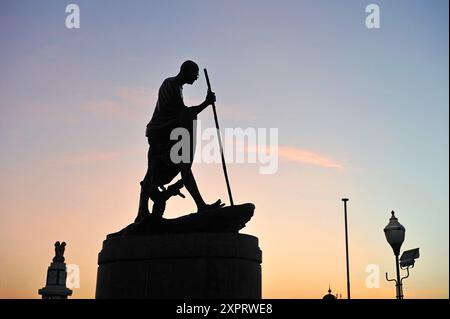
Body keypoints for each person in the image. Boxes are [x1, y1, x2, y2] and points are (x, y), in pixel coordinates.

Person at [135, 60, 224, 222]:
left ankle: (142, 212)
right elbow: (182, 113)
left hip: (164, 133)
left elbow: (181, 114)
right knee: (171, 168)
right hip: (161, 134)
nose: (197, 78)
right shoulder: (171, 86)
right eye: (195, 74)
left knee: (154, 172)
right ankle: (199, 205)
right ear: (186, 71)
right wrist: (206, 103)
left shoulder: (176, 86)